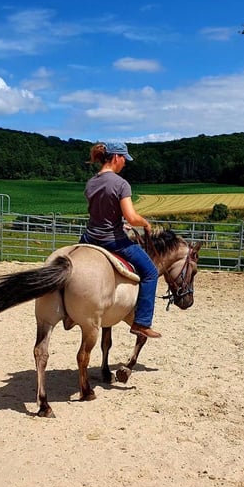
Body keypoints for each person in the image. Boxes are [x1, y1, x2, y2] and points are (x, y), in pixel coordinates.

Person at [79, 141, 162, 339]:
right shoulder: (120, 184)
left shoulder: (91, 182)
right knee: (150, 272)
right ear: (116, 157)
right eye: (124, 158)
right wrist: (145, 223)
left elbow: (101, 213)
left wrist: (118, 222)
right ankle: (141, 323)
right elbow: (132, 217)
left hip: (89, 237)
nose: (125, 163)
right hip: (111, 240)